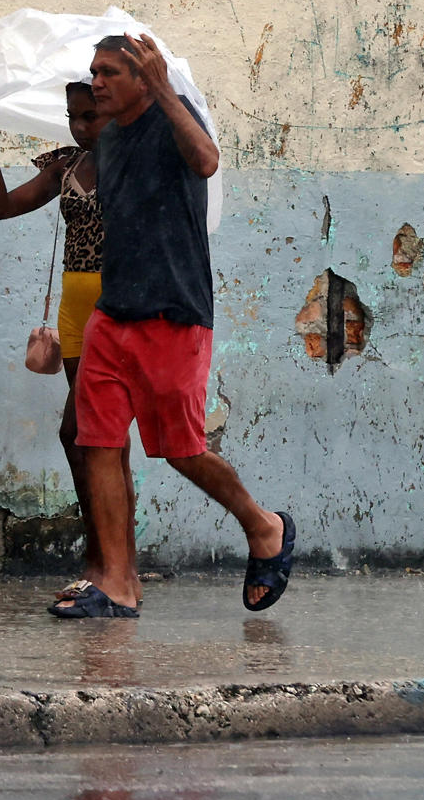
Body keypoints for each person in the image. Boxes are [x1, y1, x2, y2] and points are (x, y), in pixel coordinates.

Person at [52, 33, 294, 619]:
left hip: (175, 314)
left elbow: (207, 161)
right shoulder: (107, 141)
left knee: (181, 451)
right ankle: (117, 584)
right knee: (97, 444)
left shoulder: (170, 121)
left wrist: (166, 92)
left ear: (142, 79)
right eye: (93, 71)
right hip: (114, 315)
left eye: (109, 72)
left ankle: (265, 527)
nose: (97, 82)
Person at [0, 81, 132, 604]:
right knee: (98, 442)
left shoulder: (136, 168)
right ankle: (112, 564)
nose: (80, 126)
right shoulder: (67, 166)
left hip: (114, 310)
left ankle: (109, 566)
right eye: (73, 116)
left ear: (115, 113)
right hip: (74, 315)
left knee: (87, 436)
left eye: (90, 116)